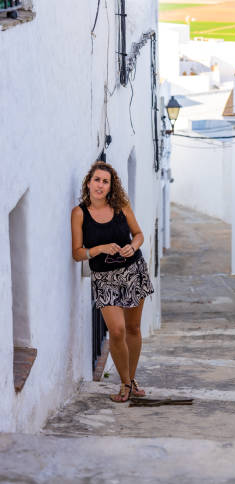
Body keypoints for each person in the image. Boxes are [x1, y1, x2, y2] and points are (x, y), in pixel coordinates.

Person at [71, 161, 154, 402]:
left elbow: (139, 234)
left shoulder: (122, 206)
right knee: (116, 331)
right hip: (104, 279)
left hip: (133, 271)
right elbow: (77, 253)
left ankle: (130, 380)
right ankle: (126, 383)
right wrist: (98, 249)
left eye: (105, 181)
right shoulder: (79, 213)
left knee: (133, 328)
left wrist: (133, 246)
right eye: (96, 179)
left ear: (110, 186)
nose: (100, 185)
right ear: (88, 183)